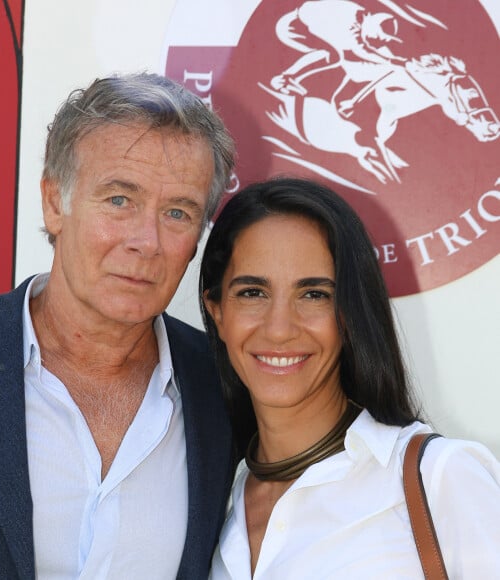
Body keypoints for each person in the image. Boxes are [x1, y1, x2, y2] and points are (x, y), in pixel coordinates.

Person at [0, 73, 236, 579]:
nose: (147, 241)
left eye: (177, 212)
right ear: (54, 202)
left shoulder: (227, 388)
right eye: (119, 200)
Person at [200, 177, 500, 579]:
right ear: (217, 311)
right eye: (253, 292)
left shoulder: (442, 476)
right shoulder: (211, 507)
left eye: (314, 294)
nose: (279, 329)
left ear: (350, 314)